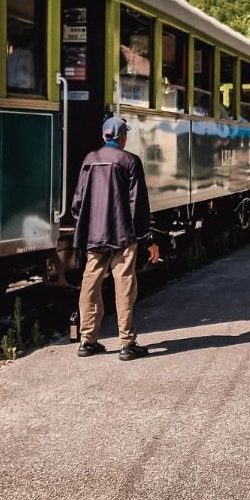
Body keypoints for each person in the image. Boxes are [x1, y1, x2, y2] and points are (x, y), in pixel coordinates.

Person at [71, 116, 160, 360]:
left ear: (104, 136)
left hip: (95, 235)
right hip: (123, 235)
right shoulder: (130, 161)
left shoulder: (90, 160)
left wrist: (86, 226)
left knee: (90, 284)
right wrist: (147, 238)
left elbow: (78, 202)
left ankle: (87, 341)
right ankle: (127, 344)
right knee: (124, 287)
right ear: (122, 138)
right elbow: (138, 205)